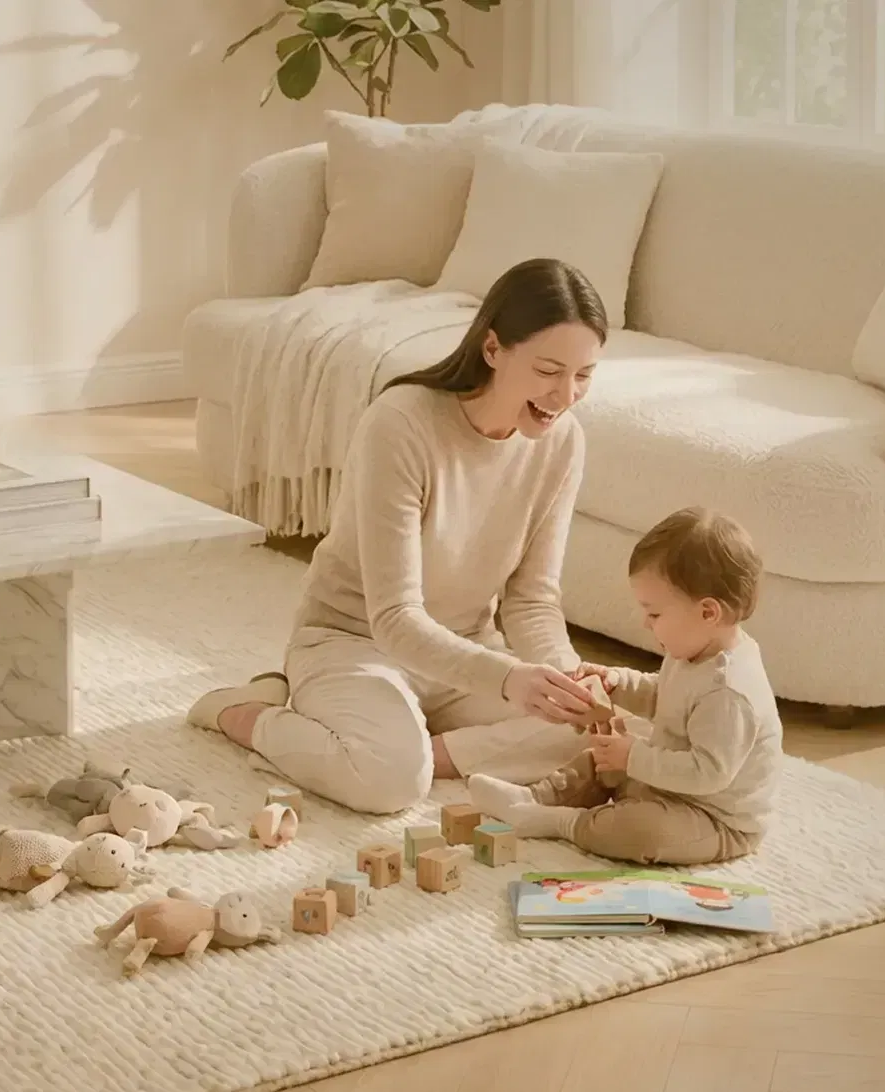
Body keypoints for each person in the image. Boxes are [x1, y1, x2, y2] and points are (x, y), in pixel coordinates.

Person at [187, 258, 610, 814]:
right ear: (492, 350)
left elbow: (532, 598)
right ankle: (246, 713)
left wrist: (565, 678)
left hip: (466, 652)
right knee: (390, 785)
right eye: (549, 371)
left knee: (603, 732)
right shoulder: (402, 423)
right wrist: (509, 679)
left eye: (584, 375)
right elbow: (394, 618)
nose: (566, 395)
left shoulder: (562, 442)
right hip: (356, 642)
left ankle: (416, 753)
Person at [469, 507, 784, 865]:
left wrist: (633, 756)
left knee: (642, 831)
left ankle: (560, 822)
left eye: (654, 614)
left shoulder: (730, 692)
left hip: (713, 818)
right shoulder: (692, 652)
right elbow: (663, 696)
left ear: (708, 612)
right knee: (598, 760)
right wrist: (617, 683)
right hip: (667, 784)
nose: (645, 624)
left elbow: (707, 774)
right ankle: (534, 799)